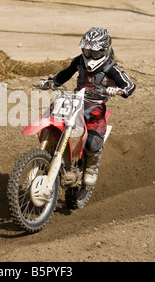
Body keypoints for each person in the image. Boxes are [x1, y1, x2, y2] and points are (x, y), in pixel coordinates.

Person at [36, 27, 136, 188]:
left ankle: (91, 168)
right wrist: (52, 82)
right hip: (75, 100)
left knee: (93, 138)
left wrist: (119, 90)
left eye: (95, 53)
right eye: (87, 51)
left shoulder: (111, 68)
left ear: (104, 51)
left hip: (95, 106)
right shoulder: (79, 61)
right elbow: (66, 73)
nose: (90, 56)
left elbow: (130, 85)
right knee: (51, 116)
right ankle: (46, 152)